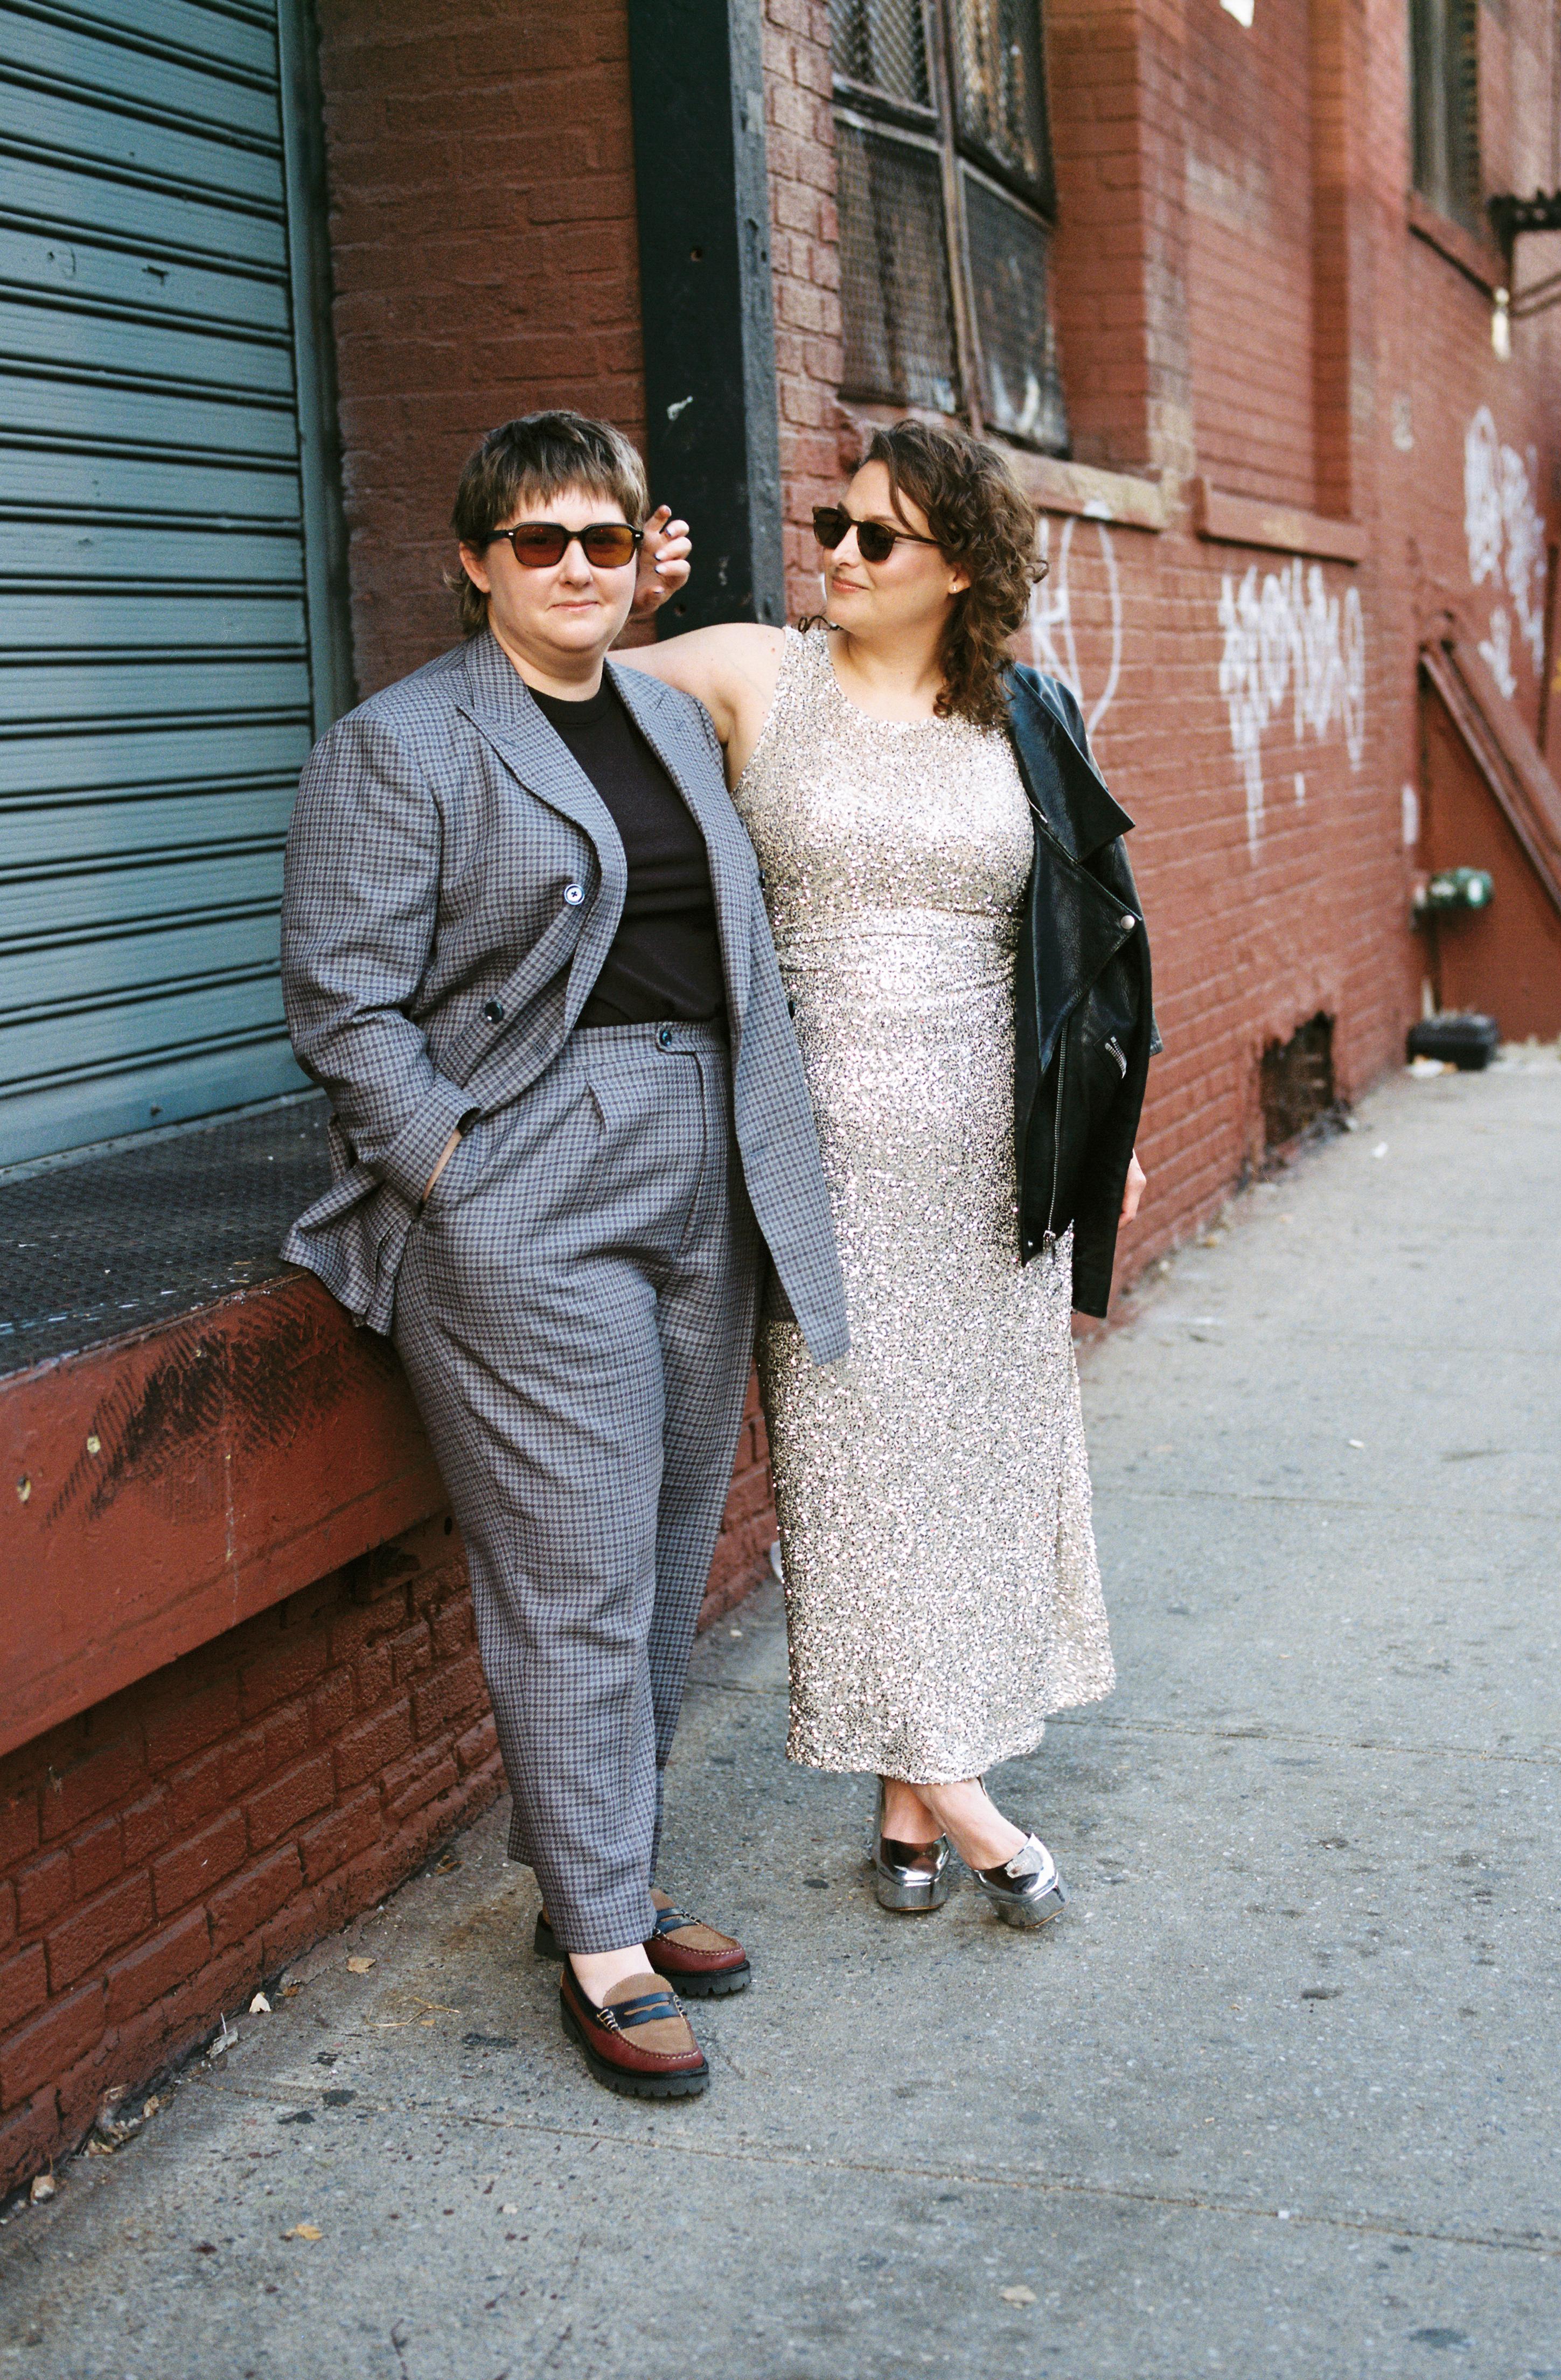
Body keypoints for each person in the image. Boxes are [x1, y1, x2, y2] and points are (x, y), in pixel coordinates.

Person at [280, 411, 846, 2099]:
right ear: (476, 562)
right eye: (541, 541)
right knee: (573, 1569)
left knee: (665, 1547)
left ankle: (603, 1870)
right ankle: (603, 1937)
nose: (579, 567)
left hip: (704, 1160)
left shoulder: (667, 719)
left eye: (606, 537)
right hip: (527, 1174)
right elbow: (344, 1001)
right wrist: (454, 1174)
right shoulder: (401, 742)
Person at [615, 418, 1154, 1925]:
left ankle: (909, 1808)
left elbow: (1092, 944)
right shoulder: (756, 673)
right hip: (823, 1160)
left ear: (960, 568)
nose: (839, 554)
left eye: (876, 536)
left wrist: (1099, 1145)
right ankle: (973, 1808)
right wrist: (631, 598)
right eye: (831, 525)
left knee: (972, 1477)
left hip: (996, 1165)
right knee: (854, 1475)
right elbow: (560, 680)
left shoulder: (1026, 716)